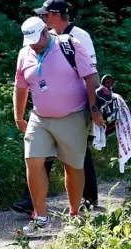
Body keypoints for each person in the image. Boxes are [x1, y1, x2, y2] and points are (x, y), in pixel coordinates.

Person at [14, 17, 104, 236]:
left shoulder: (69, 44)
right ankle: (40, 216)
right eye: (31, 42)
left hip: (73, 115)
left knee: (73, 166)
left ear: (46, 31)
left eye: (37, 39)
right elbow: (20, 86)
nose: (34, 45)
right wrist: (18, 116)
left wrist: (95, 109)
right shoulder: (25, 53)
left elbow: (91, 77)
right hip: (40, 117)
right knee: (33, 160)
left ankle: (74, 215)